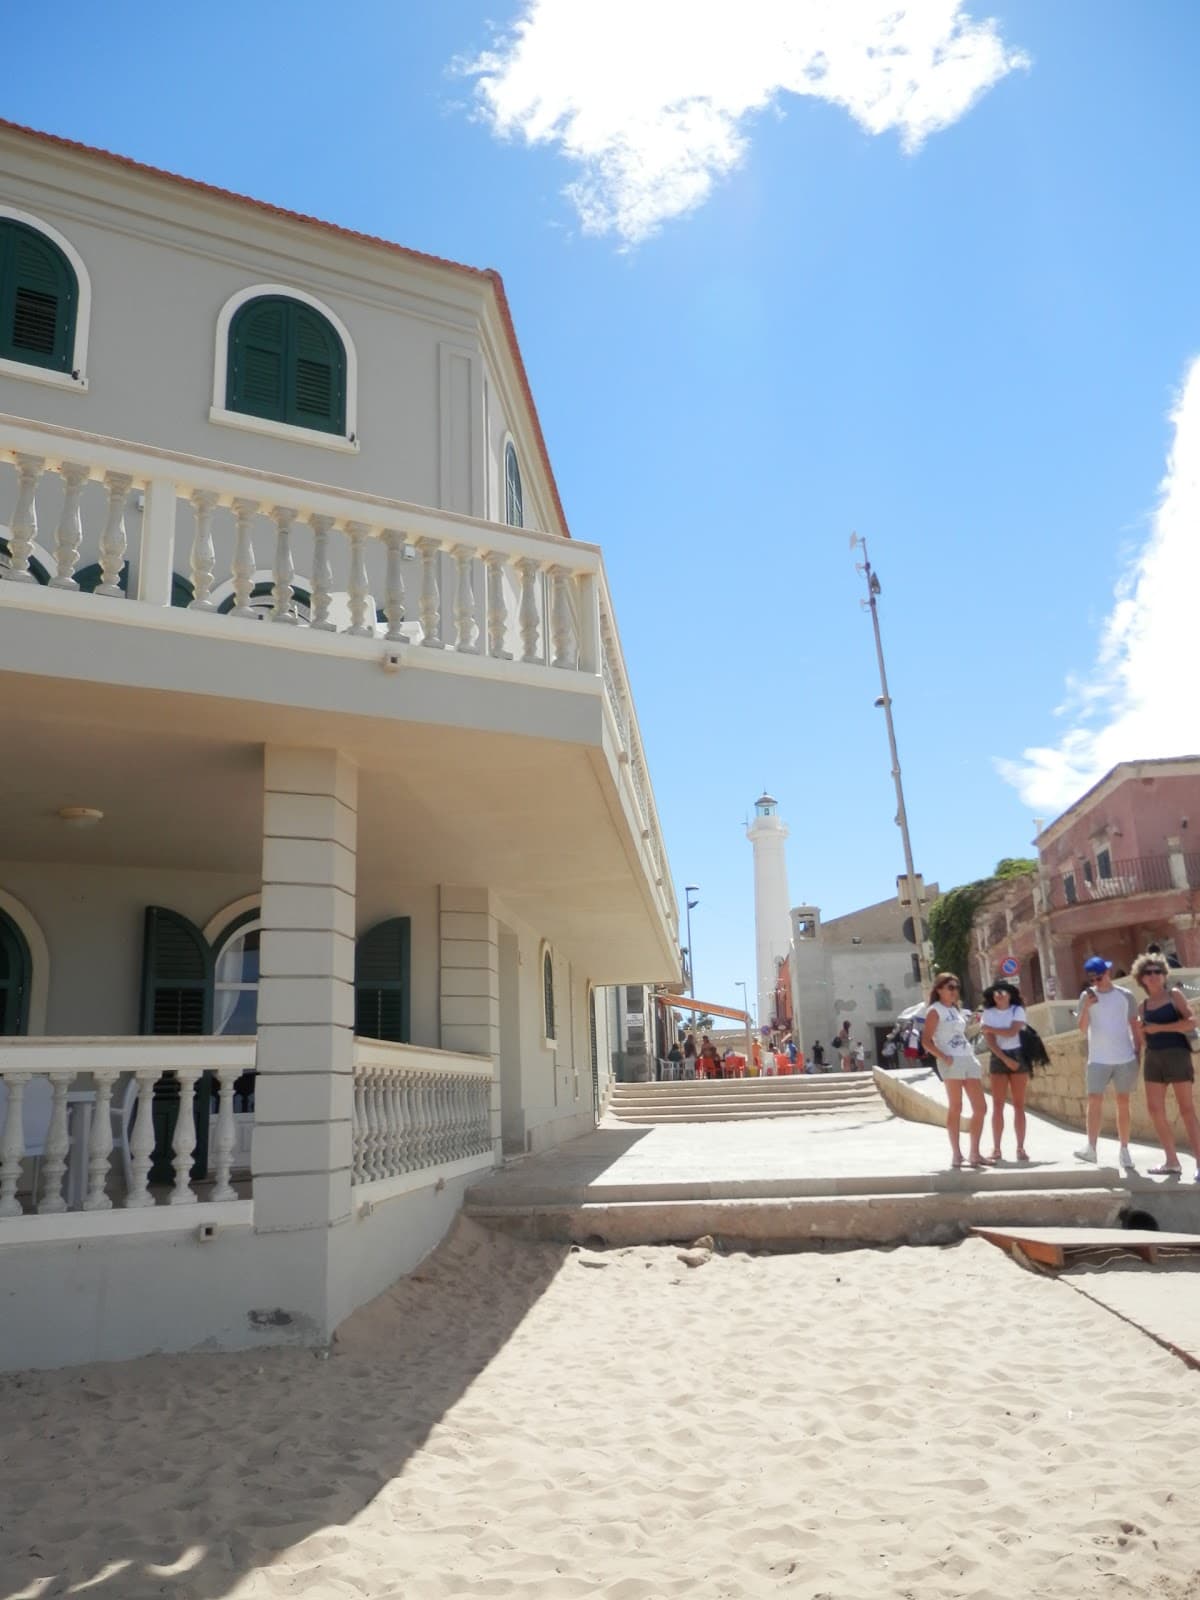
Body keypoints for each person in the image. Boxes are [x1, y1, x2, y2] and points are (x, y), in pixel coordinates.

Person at [1132, 951, 1200, 1179]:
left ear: (1164, 974)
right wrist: (1141, 1034)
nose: (1153, 976)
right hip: (1153, 1057)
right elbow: (1142, 1040)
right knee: (1155, 1110)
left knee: (1187, 1110)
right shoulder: (1143, 1006)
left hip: (1177, 1054)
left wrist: (1159, 1028)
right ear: (1141, 977)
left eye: (1157, 972)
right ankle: (1172, 1161)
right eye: (1148, 972)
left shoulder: (1174, 995)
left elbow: (1191, 1021)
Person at [1075, 955, 1142, 1172]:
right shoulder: (1086, 997)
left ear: (1108, 973)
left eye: (1099, 977)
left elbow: (1134, 1024)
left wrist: (1138, 1052)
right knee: (1094, 1100)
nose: (1096, 982)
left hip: (1125, 1057)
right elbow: (1082, 1028)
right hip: (1098, 1059)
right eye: (1092, 979)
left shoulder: (1126, 996)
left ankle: (1124, 1150)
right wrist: (1086, 1007)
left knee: (1123, 1102)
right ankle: (1091, 1148)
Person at [921, 971, 988, 1169]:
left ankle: (974, 1153)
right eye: (950, 987)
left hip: (967, 1057)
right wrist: (943, 1057)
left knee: (980, 1108)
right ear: (939, 989)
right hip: (950, 1060)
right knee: (956, 1107)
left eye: (956, 987)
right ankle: (957, 1154)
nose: (954, 991)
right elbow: (926, 1041)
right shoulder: (935, 1010)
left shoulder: (956, 1010)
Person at [981, 981, 1030, 1162]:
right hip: (999, 1056)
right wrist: (1005, 1059)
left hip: (1018, 1053)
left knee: (1019, 1104)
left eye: (1003, 991)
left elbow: (1011, 1032)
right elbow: (990, 1041)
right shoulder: (988, 1013)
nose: (1000, 995)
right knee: (998, 1105)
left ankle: (1020, 1147)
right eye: (996, 992)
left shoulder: (1017, 1010)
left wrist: (990, 1029)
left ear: (1010, 994)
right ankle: (997, 1148)